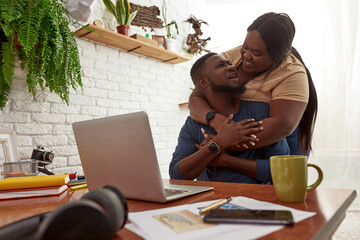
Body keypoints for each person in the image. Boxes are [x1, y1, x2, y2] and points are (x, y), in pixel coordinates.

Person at [188, 12, 318, 155]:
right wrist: (215, 120)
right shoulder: (231, 57)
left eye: (256, 53)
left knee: (284, 175)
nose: (246, 56)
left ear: (277, 56)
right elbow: (196, 98)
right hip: (231, 132)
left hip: (281, 137)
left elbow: (281, 126)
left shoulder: (292, 72)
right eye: (245, 46)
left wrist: (218, 145)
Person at [169, 53, 289, 183]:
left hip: (254, 200)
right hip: (210, 201)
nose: (231, 68)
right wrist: (219, 142)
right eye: (221, 65)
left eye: (229, 63)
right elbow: (176, 175)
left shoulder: (259, 111)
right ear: (203, 82)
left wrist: (226, 160)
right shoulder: (193, 125)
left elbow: (282, 169)